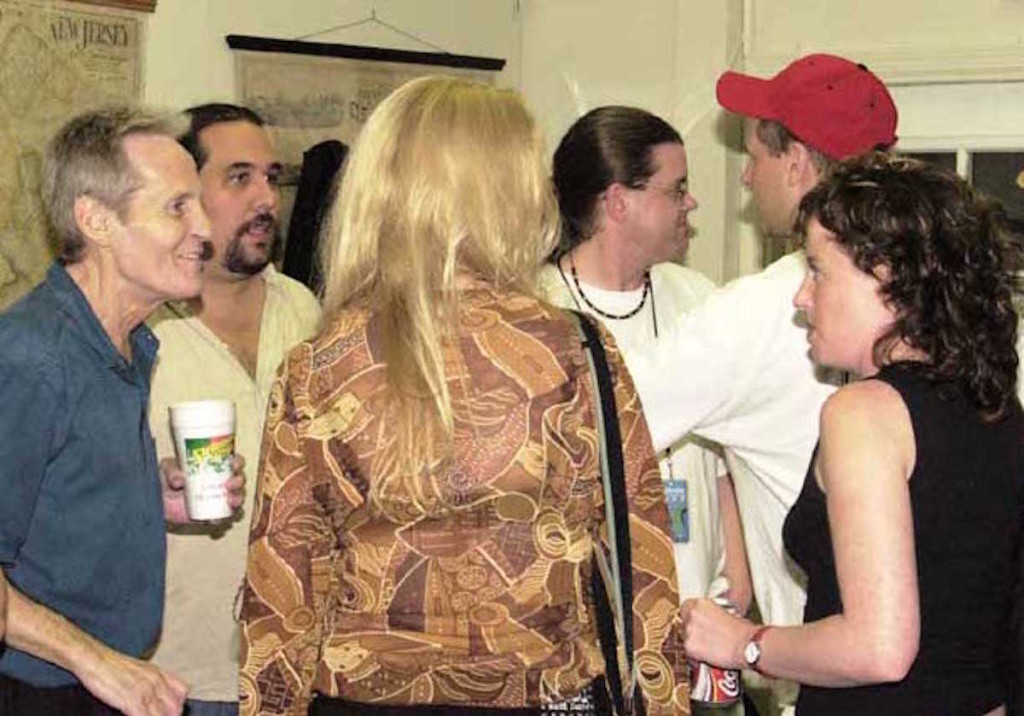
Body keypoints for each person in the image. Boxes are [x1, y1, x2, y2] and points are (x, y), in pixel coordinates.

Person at [238, 76, 690, 716]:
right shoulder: (575, 352)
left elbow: (281, 600)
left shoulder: (319, 365)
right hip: (544, 695)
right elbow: (642, 563)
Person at [681, 153, 1024, 715]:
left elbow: (879, 647)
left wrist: (742, 643)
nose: (801, 297)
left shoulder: (863, 413)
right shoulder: (994, 407)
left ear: (885, 278)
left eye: (817, 270)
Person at [622, 54, 898, 711]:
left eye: (754, 156)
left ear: (797, 163)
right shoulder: (948, 300)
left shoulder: (761, 311)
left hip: (829, 672)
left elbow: (605, 418)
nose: (745, 177)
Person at [0, 106, 239, 716]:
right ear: (97, 221)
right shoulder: (33, 359)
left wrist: (146, 500)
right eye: (177, 207)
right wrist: (94, 660)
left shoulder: (129, 341)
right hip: (39, 691)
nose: (205, 229)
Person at [540, 106, 751, 616]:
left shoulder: (700, 299)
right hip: (590, 621)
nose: (691, 201)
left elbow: (723, 458)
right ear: (618, 202)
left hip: (702, 614)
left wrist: (739, 582)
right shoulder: (536, 309)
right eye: (676, 188)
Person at [147, 104, 321, 716]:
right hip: (170, 678)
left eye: (273, 178)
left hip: (293, 666)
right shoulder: (142, 331)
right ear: (186, 195)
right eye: (239, 177)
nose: (266, 199)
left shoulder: (305, 312)